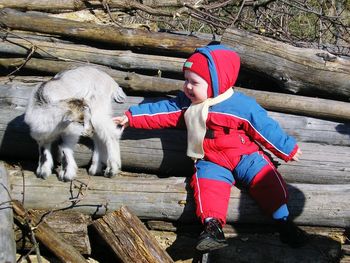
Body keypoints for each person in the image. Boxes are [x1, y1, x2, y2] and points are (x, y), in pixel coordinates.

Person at [113, 44, 308, 252]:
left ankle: (285, 222)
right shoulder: (186, 104)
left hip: (244, 155)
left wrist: (287, 149)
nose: (187, 87)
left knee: (266, 179)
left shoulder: (241, 106)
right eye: (186, 80)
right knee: (207, 188)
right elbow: (159, 112)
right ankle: (212, 228)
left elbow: (265, 128)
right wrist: (131, 117)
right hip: (210, 158)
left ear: (217, 83)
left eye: (194, 82)